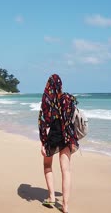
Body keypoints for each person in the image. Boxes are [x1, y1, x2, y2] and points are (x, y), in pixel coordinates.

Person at [38, 74, 78, 213]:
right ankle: (65, 206)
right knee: (66, 170)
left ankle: (51, 197)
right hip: (67, 137)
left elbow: (43, 122)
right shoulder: (67, 98)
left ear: (49, 85)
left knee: (47, 165)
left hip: (53, 137)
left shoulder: (47, 99)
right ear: (60, 85)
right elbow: (73, 116)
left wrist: (43, 142)